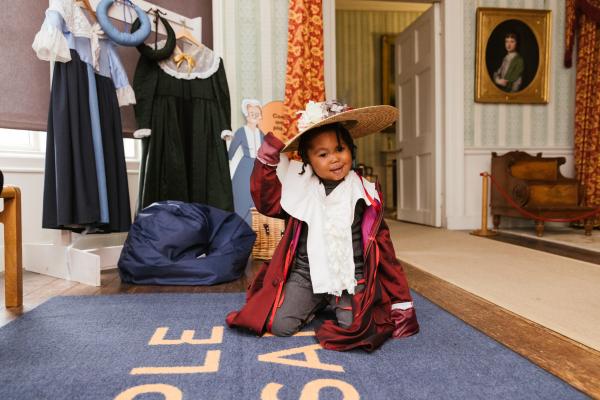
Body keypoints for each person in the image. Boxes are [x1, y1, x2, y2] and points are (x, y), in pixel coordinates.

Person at [226, 101, 419, 352]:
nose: (335, 159)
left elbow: (387, 254)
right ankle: (314, 302)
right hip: (306, 275)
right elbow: (267, 202)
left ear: (351, 149)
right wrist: (268, 159)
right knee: (279, 326)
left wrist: (401, 301)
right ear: (308, 160)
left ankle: (338, 301)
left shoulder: (365, 194)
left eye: (340, 149)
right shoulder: (299, 190)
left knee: (354, 329)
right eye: (323, 154)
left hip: (350, 278)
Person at [226, 99, 265, 225]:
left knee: (258, 197)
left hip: (258, 167)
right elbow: (231, 153)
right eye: (251, 113)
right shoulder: (241, 132)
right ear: (246, 115)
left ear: (260, 116)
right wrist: (228, 140)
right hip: (245, 168)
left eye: (256, 113)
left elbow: (266, 154)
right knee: (242, 195)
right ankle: (241, 228)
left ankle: (256, 230)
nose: (254, 116)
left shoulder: (262, 134)